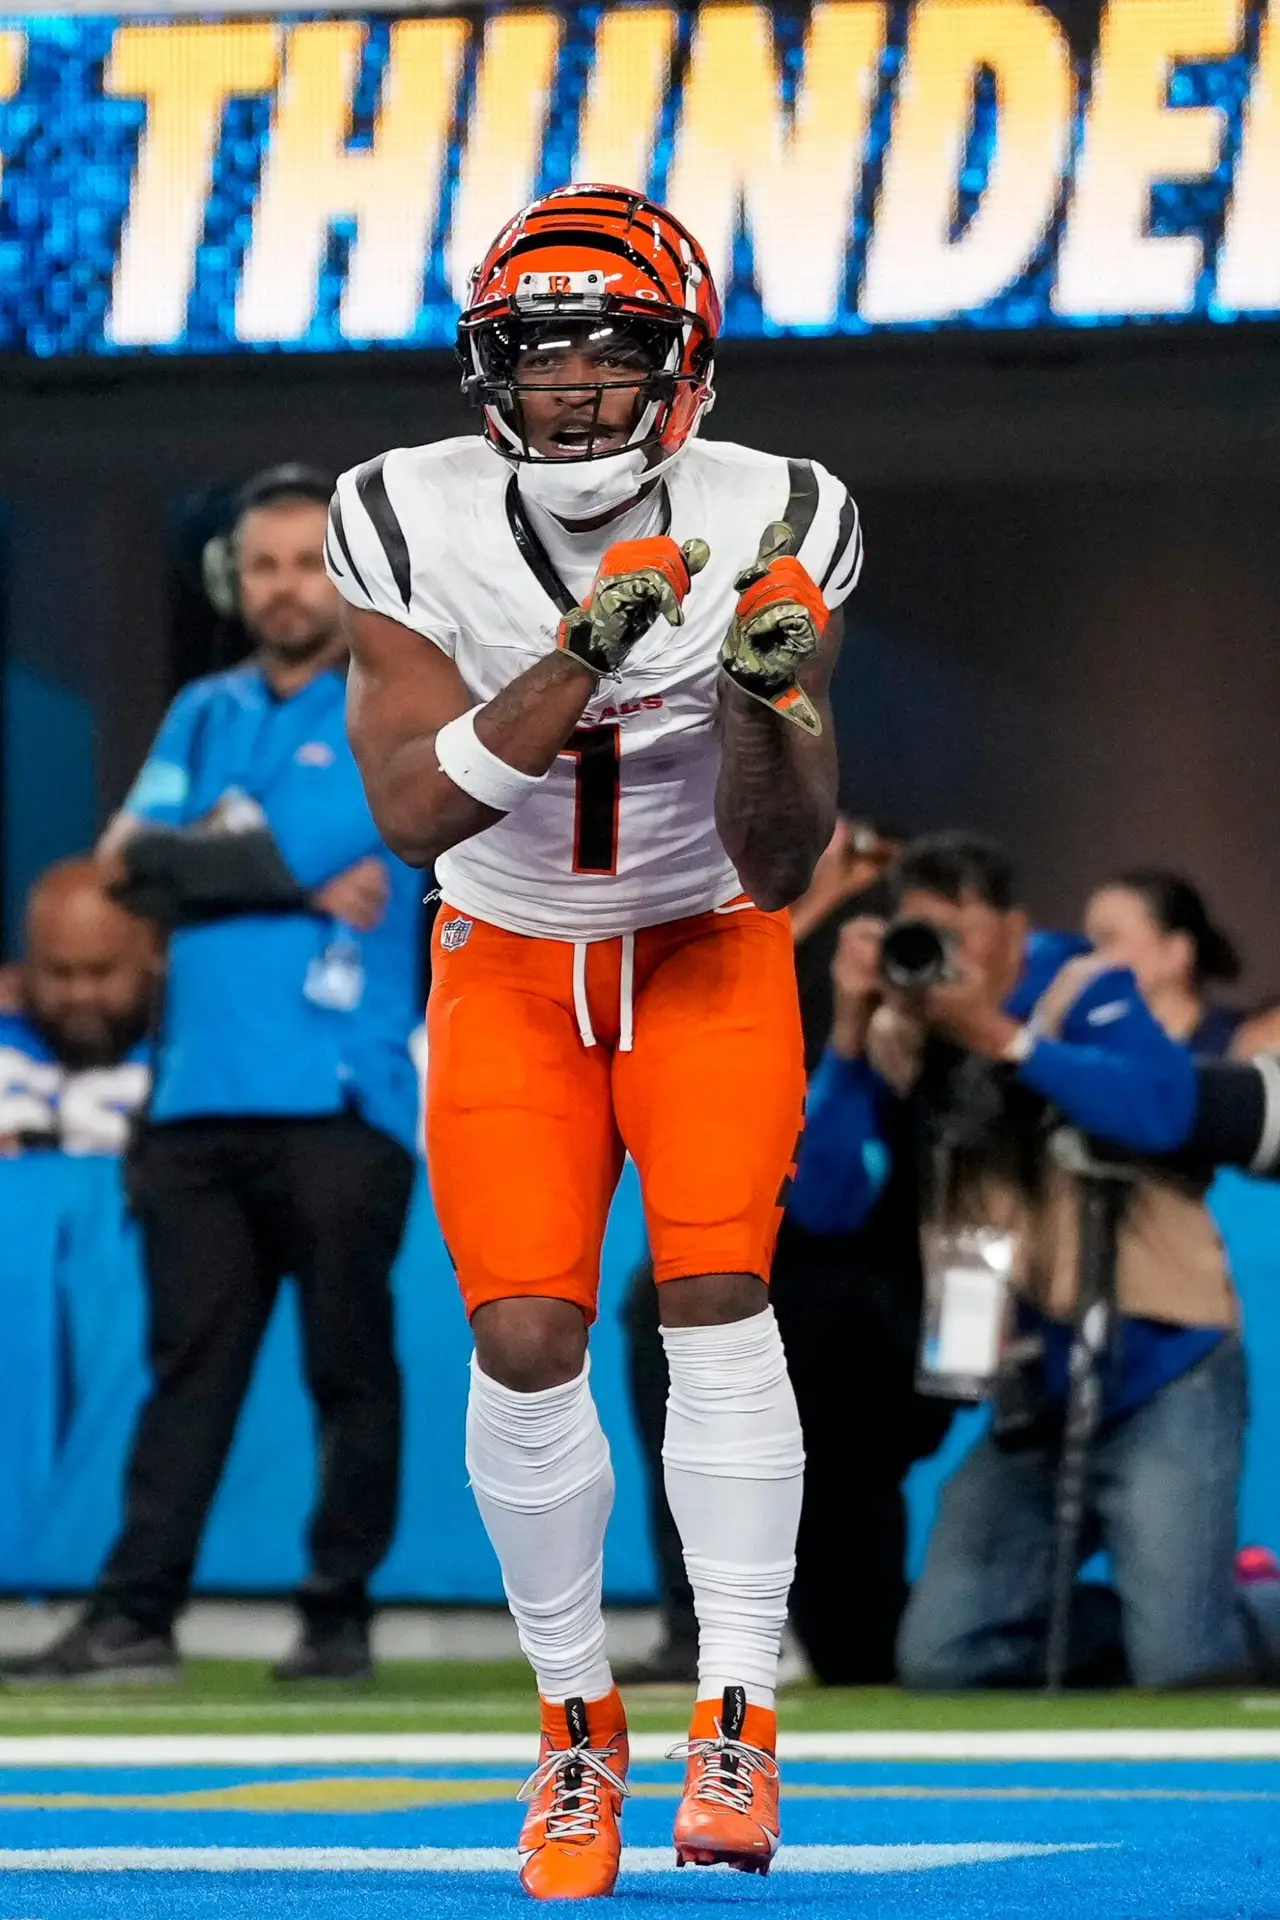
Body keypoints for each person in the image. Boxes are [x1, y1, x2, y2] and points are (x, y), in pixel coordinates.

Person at [329, 184, 862, 1897]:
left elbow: (784, 860)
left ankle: (738, 1708)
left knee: (716, 1290)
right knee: (526, 1333)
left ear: (683, 366)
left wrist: (769, 695)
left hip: (708, 940)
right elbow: (414, 810)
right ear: (489, 371)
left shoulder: (782, 508)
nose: (570, 389)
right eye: (538, 356)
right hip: (506, 955)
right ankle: (576, 1724)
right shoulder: (397, 514)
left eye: (611, 351)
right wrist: (586, 653)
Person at [1, 465, 422, 1689]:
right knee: (185, 1372)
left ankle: (336, 1616)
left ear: (343, 582)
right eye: (265, 566)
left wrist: (235, 862)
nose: (284, 589)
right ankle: (137, 1615)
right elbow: (126, 869)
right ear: (231, 581)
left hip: (343, 1096)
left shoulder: (389, 708)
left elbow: (319, 841)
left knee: (348, 1368)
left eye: (307, 565)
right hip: (192, 1099)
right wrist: (279, 875)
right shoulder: (202, 710)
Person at [789, 832, 1247, 1690]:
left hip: (1162, 1369)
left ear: (1012, 926)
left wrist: (1003, 1038)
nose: (947, 958)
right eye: (924, 934)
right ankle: (1165, 1620)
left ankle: (1221, 1619)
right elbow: (824, 1202)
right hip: (1035, 1392)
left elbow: (1161, 1109)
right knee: (941, 1660)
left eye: (962, 933)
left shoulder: (1087, 985)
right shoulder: (903, 1030)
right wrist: (849, 1039)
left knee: (1186, 1669)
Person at [0, 859, 156, 1154]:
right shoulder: (5, 1050)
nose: (81, 995)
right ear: (26, 969)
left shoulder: (189, 1065)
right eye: (60, 973)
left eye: (101, 972)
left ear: (150, 959)